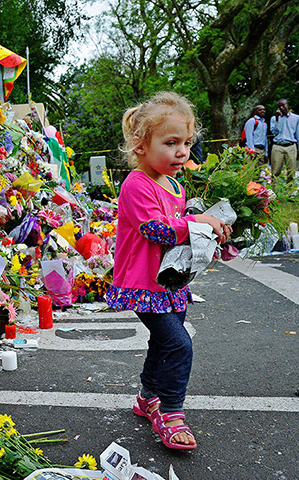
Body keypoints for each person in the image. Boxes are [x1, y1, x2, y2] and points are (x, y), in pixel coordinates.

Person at [105, 92, 231, 451]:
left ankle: (147, 398)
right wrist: (198, 221)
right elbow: (157, 229)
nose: (182, 152)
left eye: (187, 143)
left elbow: (179, 222)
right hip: (144, 283)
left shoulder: (172, 183)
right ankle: (171, 413)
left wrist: (212, 225)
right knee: (179, 344)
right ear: (140, 145)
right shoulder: (136, 184)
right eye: (171, 142)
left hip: (171, 281)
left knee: (163, 342)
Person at [269, 99, 299, 179]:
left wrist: (298, 148)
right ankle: (274, 191)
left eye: (283, 105)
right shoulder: (274, 118)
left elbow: (298, 135)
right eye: (279, 106)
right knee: (275, 172)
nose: (282, 108)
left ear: (287, 105)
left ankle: (289, 191)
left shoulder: (296, 118)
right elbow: (274, 131)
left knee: (291, 172)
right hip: (277, 146)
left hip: (291, 146)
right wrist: (277, 119)